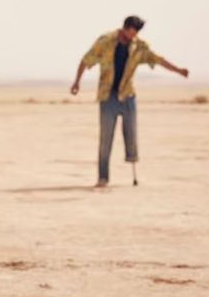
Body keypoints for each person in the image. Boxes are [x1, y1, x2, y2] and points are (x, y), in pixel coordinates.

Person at [69, 15, 189, 187]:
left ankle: (131, 158)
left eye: (136, 33)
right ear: (124, 28)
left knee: (131, 133)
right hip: (107, 97)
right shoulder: (105, 41)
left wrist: (178, 70)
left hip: (127, 96)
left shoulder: (139, 47)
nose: (133, 36)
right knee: (105, 140)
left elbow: (158, 59)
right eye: (131, 32)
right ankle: (103, 178)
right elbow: (86, 59)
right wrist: (77, 82)